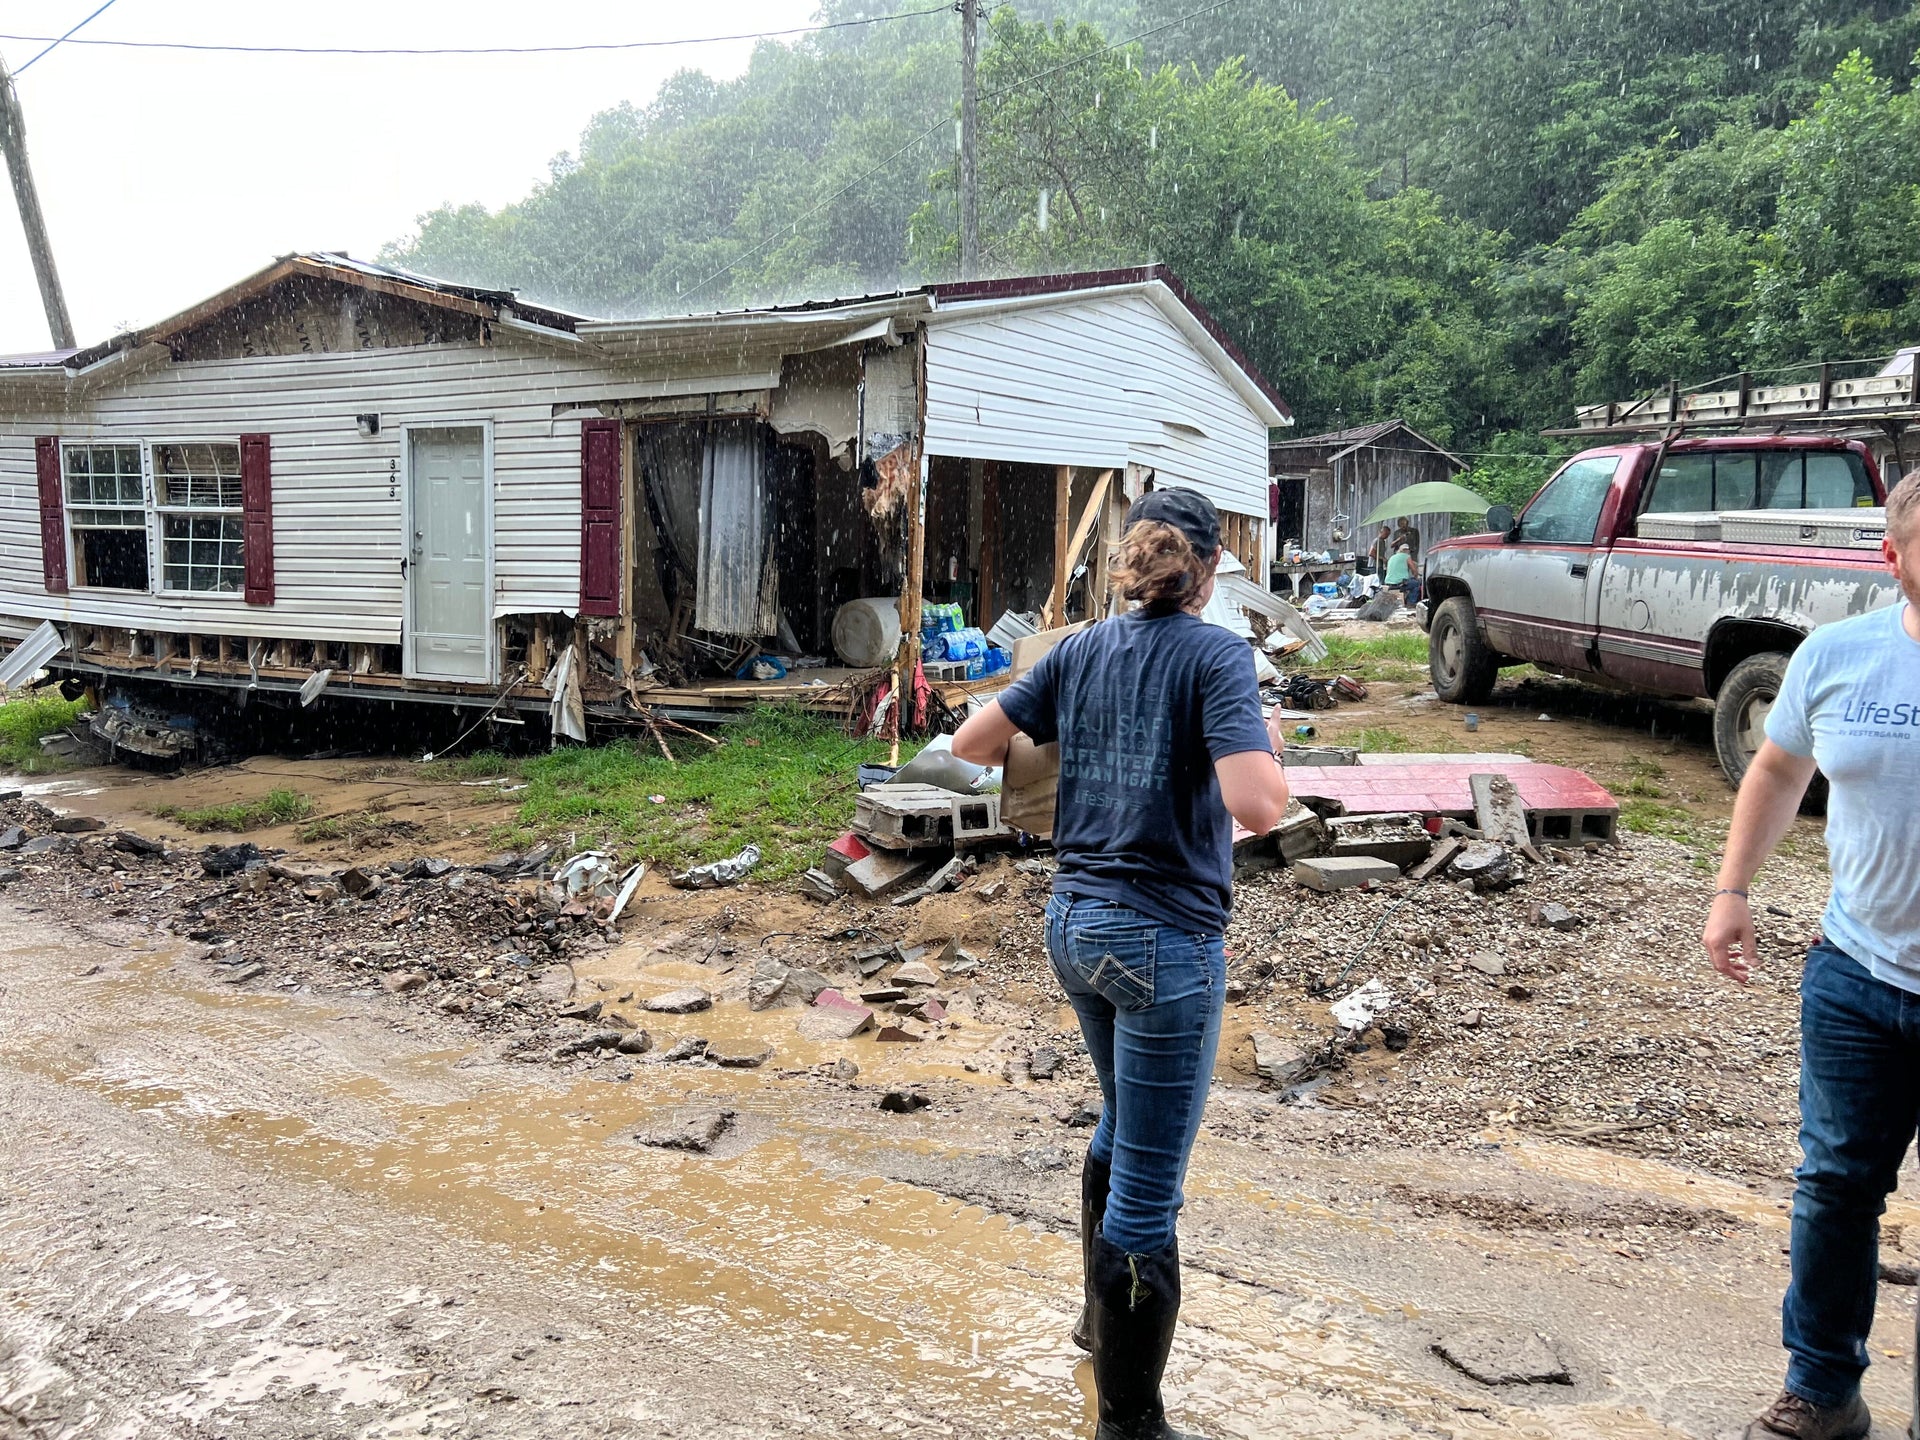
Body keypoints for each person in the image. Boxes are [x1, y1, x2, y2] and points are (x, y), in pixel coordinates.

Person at [953, 487, 1291, 1440]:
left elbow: (976, 743)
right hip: (1163, 943)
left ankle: (1102, 1324)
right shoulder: (1219, 655)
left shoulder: (1080, 649)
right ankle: (1130, 1424)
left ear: (1133, 558)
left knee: (1121, 1122)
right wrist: (1264, 741)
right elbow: (1260, 808)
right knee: (1149, 1189)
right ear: (1212, 570)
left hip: (1075, 924)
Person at [1702, 472, 1920, 1440]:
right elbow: (1780, 769)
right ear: (1894, 555)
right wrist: (1731, 890)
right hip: (1857, 973)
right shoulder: (1837, 655)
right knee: (1835, 1187)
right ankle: (1824, 1391)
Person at [1384, 543, 1420, 607]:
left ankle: (1406, 600)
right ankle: (1411, 603)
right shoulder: (1406, 556)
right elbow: (1414, 570)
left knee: (1409, 582)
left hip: (1388, 583)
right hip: (1399, 584)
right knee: (1416, 584)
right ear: (1407, 551)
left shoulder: (1392, 557)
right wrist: (1416, 577)